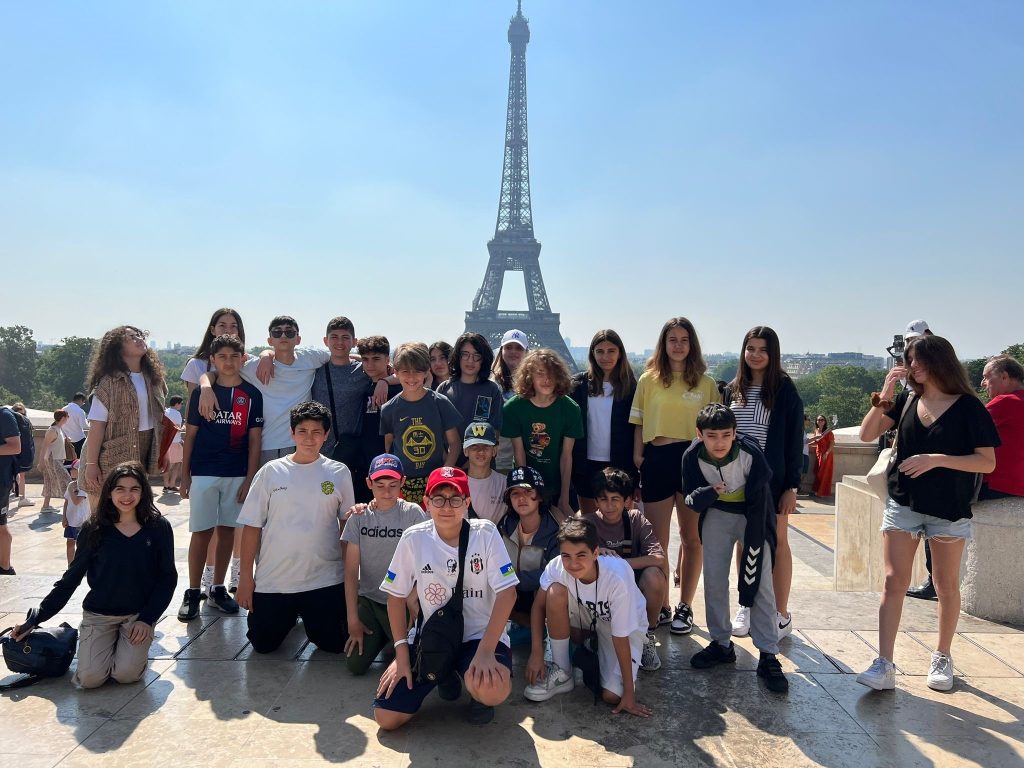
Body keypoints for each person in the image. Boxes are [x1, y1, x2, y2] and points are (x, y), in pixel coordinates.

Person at [856, 335, 998, 692]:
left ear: (940, 361)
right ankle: (884, 662)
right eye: (909, 360)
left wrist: (936, 460)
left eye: (918, 360)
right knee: (894, 581)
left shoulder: (968, 407)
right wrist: (886, 391)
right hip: (903, 502)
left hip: (948, 507)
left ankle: (942, 655)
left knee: (945, 584)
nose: (912, 366)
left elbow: (987, 461)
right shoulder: (906, 401)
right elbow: (866, 434)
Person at [373, 466, 519, 728]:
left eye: (455, 499)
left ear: (467, 502)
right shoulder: (414, 538)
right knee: (387, 717)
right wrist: (401, 655)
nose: (447, 507)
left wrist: (486, 651)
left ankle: (477, 695)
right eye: (438, 499)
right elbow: (395, 597)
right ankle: (444, 673)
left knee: (493, 690)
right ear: (427, 502)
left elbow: (508, 593)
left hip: (479, 636)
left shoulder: (485, 533)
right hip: (433, 635)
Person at [12, 462, 176, 688]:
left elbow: (167, 578)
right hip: (99, 614)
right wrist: (37, 618)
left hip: (137, 616)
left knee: (126, 675)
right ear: (109, 493)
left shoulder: (158, 527)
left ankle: (126, 651)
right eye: (120, 489)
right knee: (90, 679)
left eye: (134, 489)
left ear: (143, 492)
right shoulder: (94, 528)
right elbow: (71, 579)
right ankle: (98, 642)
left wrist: (148, 619)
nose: (127, 496)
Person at [682, 405, 789, 693]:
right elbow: (690, 498)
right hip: (717, 513)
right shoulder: (692, 456)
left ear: (735, 433)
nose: (719, 443)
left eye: (726, 435)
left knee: (761, 582)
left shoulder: (749, 453)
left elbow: (761, 495)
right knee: (714, 580)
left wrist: (757, 538)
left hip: (753, 515)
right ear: (699, 434)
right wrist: (709, 492)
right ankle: (721, 643)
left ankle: (768, 653)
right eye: (712, 436)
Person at [235, 401, 355, 654]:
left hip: (324, 578)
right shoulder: (270, 472)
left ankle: (309, 618)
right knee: (263, 645)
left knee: (334, 645)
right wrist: (245, 577)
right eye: (302, 431)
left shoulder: (338, 472)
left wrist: (350, 578)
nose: (309, 438)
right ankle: (289, 619)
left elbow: (347, 527)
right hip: (275, 580)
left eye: (316, 432)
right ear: (291, 433)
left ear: (326, 434)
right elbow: (252, 527)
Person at [629, 317, 720, 635]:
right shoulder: (648, 380)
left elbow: (717, 430)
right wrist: (639, 457)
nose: (678, 345)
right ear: (663, 344)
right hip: (658, 459)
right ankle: (663, 603)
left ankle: (685, 605)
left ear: (692, 344)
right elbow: (638, 423)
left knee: (692, 538)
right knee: (658, 541)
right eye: (673, 340)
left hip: (694, 461)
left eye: (684, 339)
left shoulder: (706, 383)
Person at [523, 518, 652, 717]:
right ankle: (563, 671)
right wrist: (536, 652)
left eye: (581, 555)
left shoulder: (617, 577)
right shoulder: (557, 566)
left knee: (612, 696)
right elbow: (538, 607)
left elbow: (620, 637)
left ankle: (619, 649)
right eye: (566, 556)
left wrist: (629, 693)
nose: (573, 563)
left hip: (622, 627)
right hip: (587, 614)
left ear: (595, 553)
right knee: (555, 591)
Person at [724, 326, 805, 640]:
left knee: (777, 543)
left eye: (762, 350)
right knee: (743, 543)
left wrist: (792, 487)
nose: (755, 355)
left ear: (773, 354)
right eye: (750, 348)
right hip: (736, 480)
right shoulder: (733, 389)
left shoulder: (784, 389)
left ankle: (780, 614)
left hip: (771, 481)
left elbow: (794, 440)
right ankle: (746, 604)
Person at [178, 334, 264, 621]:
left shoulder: (252, 395)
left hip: (236, 473)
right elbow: (190, 436)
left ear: (243, 359)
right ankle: (193, 591)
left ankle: (217, 588)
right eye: (222, 357)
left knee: (227, 531)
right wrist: (185, 475)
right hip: (204, 471)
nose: (229, 362)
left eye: (234, 356)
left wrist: (250, 479)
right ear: (213, 360)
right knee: (201, 532)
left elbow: (255, 441)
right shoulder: (201, 394)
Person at [342, 454, 428, 675]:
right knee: (355, 665)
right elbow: (350, 572)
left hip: (403, 602)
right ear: (369, 483)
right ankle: (384, 636)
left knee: (419, 662)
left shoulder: (413, 513)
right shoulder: (359, 517)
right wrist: (352, 618)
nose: (387, 492)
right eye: (380, 485)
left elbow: (426, 561)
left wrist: (414, 595)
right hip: (371, 601)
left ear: (403, 482)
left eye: (393, 485)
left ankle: (391, 638)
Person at [583, 467, 666, 669]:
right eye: (604, 499)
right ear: (596, 502)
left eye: (615, 499)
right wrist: (595, 553)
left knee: (655, 577)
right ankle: (590, 633)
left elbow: (659, 558)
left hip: (632, 586)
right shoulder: (587, 523)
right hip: (600, 590)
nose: (610, 505)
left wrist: (619, 563)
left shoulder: (636, 519)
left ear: (627, 501)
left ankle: (647, 636)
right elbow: (569, 558)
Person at [83, 326, 167, 508]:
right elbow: (97, 425)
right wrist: (91, 464)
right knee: (107, 509)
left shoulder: (153, 379)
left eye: (139, 335)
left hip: (144, 449)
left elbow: (159, 420)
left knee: (136, 507)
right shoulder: (109, 383)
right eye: (132, 337)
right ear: (118, 347)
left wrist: (163, 451)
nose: (139, 339)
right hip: (113, 452)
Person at [502, 348, 584, 521]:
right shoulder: (513, 408)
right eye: (540, 373)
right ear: (529, 376)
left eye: (551, 374)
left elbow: (566, 456)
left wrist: (564, 498)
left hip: (559, 482)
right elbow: (519, 453)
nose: (546, 379)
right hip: (528, 481)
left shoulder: (571, 409)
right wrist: (527, 491)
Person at [379, 342, 462, 506]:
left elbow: (455, 442)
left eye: (417, 371)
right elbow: (389, 447)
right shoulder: (388, 409)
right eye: (405, 371)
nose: (411, 377)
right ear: (396, 372)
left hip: (436, 482)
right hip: (403, 484)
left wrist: (444, 472)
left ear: (426, 371)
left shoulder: (440, 402)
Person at [569, 330, 639, 515]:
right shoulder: (578, 385)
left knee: (620, 524)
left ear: (620, 353)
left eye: (611, 351)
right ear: (592, 353)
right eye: (600, 351)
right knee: (589, 523)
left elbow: (636, 431)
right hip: (586, 465)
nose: (605, 357)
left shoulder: (632, 388)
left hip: (620, 465)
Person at [498, 466, 561, 630]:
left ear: (540, 496)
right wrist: (508, 577)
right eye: (515, 493)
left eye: (528, 492)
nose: (521, 498)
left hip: (539, 594)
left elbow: (553, 572)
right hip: (507, 591)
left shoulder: (555, 531)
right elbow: (496, 563)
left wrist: (513, 580)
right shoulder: (504, 525)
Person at [436, 332, 504, 466]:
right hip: (448, 466)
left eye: (476, 355)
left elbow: (494, 432)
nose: (470, 360)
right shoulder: (443, 389)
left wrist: (468, 466)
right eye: (465, 354)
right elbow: (436, 432)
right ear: (458, 356)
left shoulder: (492, 390)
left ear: (483, 359)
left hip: (481, 466)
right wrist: (449, 464)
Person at [356, 336, 402, 504]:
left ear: (387, 360)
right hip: (365, 460)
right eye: (365, 359)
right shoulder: (366, 385)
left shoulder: (398, 388)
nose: (370, 364)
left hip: (389, 460)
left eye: (376, 359)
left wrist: (385, 381)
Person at [979, 354, 1024, 499]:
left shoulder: (1005, 401)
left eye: (986, 377)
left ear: (1004, 377)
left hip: (999, 485)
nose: (982, 383)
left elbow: (962, 430)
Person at [180, 308, 246, 399]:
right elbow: (192, 402)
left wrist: (265, 355)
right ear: (212, 330)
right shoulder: (196, 364)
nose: (228, 331)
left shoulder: (246, 361)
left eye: (233, 326)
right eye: (222, 325)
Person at [492, 330, 528, 472]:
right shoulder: (492, 385)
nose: (513, 351)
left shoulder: (535, 385)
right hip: (500, 460)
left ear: (526, 352)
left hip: (527, 458)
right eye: (508, 347)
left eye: (518, 348)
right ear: (501, 351)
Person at [463, 422, 507, 523]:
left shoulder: (504, 484)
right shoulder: (455, 483)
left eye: (486, 446)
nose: (481, 451)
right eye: (474, 446)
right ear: (465, 451)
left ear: (494, 451)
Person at [0, 404, 23, 575]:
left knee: (0, 525)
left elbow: (15, 446)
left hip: (1, 480)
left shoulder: (4, 415)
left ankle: (5, 567)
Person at [38, 409, 72, 512]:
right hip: (52, 459)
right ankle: (71, 505)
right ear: (63, 418)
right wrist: (41, 462)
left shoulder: (59, 429)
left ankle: (45, 506)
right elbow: (44, 447)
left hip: (56, 459)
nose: (68, 419)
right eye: (67, 417)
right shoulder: (52, 430)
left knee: (49, 481)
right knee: (67, 480)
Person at [62, 460, 91, 565]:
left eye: (73, 469)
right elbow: (66, 501)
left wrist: (71, 489)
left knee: (81, 545)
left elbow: (76, 501)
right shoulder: (71, 484)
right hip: (71, 521)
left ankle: (81, 566)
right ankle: (70, 566)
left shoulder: (84, 486)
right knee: (69, 543)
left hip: (80, 521)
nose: (71, 471)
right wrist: (64, 518)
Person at [10, 403, 34, 509]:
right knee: (21, 475)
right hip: (21, 452)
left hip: (9, 452)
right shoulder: (25, 422)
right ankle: (22, 498)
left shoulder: (9, 421)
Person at [162, 396, 185, 493]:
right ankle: (171, 485)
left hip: (165, 443)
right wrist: (184, 427)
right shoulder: (177, 414)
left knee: (167, 465)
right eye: (181, 403)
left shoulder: (165, 412)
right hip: (175, 442)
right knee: (177, 464)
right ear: (177, 404)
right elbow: (178, 429)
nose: (181, 405)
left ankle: (166, 485)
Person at [808, 415, 834, 498]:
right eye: (818, 420)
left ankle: (822, 492)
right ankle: (817, 490)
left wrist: (826, 453)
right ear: (816, 421)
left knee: (824, 473)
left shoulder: (828, 432)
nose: (820, 421)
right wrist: (806, 444)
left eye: (822, 420)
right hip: (818, 453)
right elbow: (816, 442)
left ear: (825, 421)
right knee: (817, 472)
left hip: (826, 454)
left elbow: (832, 443)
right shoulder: (816, 430)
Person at [63, 393, 90, 457]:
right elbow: (84, 426)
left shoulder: (63, 409)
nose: (83, 404)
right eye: (83, 402)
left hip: (66, 439)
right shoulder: (80, 411)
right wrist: (89, 423)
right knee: (79, 459)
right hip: (79, 439)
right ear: (80, 400)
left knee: (68, 459)